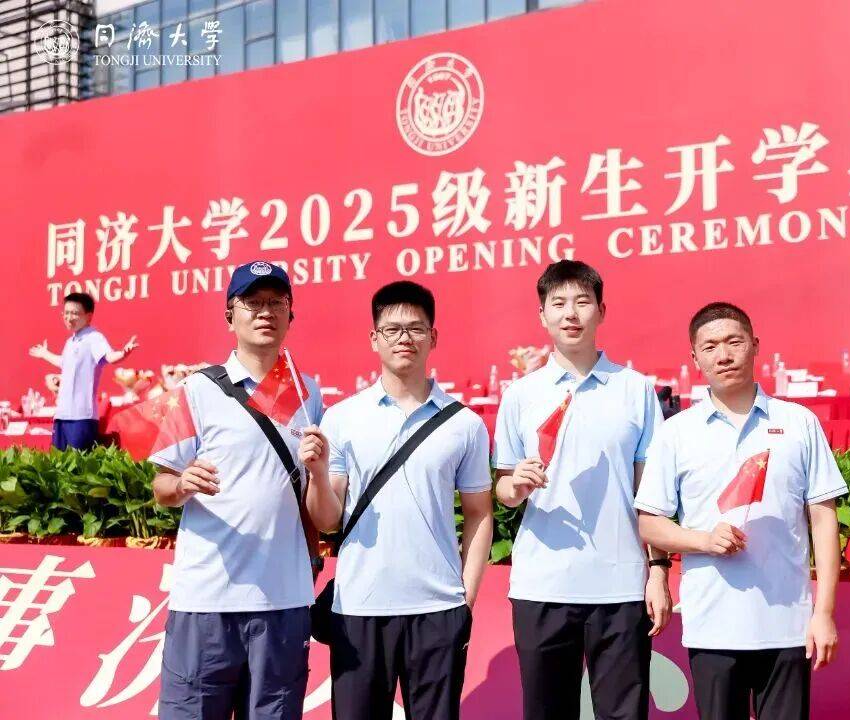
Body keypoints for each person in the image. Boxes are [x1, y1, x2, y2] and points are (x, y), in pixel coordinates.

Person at [635, 302, 847, 720]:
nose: (724, 355)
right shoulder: (676, 433)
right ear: (695, 358)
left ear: (755, 345)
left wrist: (823, 614)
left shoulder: (798, 423)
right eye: (710, 346)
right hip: (712, 627)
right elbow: (649, 523)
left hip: (787, 626)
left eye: (734, 342)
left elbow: (824, 521)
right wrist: (703, 541)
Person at [303, 280, 494, 720]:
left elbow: (479, 514)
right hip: (358, 608)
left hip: (438, 609)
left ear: (433, 337)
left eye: (415, 328)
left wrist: (464, 600)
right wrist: (317, 474)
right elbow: (328, 520)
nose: (404, 338)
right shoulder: (343, 417)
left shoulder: (463, 424)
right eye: (391, 329)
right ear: (374, 339)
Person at [493, 259, 671, 720]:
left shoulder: (635, 389)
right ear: (542, 315)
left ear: (601, 311)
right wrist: (517, 484)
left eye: (582, 302)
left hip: (620, 586)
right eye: (558, 303)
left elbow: (649, 493)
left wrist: (657, 570)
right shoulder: (520, 394)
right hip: (543, 584)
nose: (570, 313)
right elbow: (504, 489)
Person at [149, 261, 323, 720]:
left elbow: (307, 491)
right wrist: (182, 483)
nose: (265, 312)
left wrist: (312, 557)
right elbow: (161, 486)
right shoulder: (198, 390)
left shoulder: (307, 394)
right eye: (253, 302)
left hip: (283, 598)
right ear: (230, 316)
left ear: (290, 315)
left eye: (276, 302)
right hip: (207, 598)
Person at [28, 292, 137, 450]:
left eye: (75, 313)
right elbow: (64, 363)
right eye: (66, 313)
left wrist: (123, 353)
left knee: (79, 462)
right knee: (59, 461)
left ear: (89, 316)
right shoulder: (70, 342)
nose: (69, 318)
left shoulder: (94, 337)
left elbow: (108, 356)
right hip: (62, 415)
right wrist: (45, 354)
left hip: (82, 416)